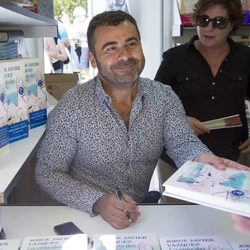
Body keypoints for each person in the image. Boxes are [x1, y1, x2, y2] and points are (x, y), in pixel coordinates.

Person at [35, 10, 248, 230]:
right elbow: (48, 172)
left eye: (131, 43)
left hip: (137, 216)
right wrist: (98, 202)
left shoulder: (163, 97)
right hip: (84, 218)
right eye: (111, 48)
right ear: (93, 59)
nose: (125, 55)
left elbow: (183, 143)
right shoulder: (72, 107)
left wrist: (202, 159)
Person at [155, 0, 250, 163]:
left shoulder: (245, 57)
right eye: (203, 19)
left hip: (232, 157)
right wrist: (179, 121)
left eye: (219, 22)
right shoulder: (174, 58)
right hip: (179, 159)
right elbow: (152, 105)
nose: (209, 28)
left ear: (232, 24)